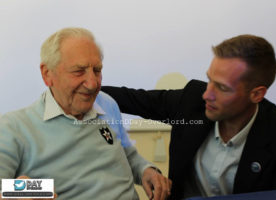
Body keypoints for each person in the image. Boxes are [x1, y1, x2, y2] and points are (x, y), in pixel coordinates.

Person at [101, 34, 276, 199]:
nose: (207, 94)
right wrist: (87, 90)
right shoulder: (192, 100)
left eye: (222, 87)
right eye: (209, 80)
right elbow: (134, 98)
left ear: (257, 94)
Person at [0, 27, 171, 200]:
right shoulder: (13, 128)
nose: (92, 84)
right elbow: (6, 189)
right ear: (47, 74)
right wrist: (24, 190)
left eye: (97, 70)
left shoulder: (106, 104)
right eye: (78, 71)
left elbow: (125, 152)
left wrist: (146, 170)